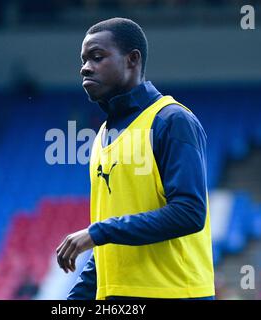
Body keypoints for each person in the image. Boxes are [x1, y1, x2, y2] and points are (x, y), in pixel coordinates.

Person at [56, 17, 215, 300]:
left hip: (174, 293)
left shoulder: (171, 120)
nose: (84, 67)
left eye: (96, 57)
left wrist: (99, 232)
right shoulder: (102, 136)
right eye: (83, 60)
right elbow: (110, 244)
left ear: (132, 60)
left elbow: (190, 213)